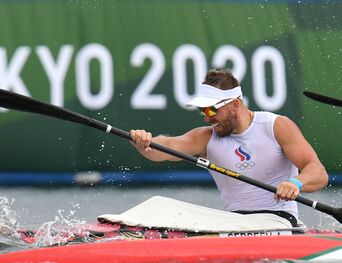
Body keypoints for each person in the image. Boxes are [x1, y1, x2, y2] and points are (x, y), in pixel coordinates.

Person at [130, 69, 329, 227]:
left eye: (211, 109)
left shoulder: (275, 126)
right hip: (234, 222)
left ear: (235, 104)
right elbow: (162, 149)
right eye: (202, 110)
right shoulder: (205, 137)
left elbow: (318, 173)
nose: (207, 117)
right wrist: (144, 142)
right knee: (161, 204)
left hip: (279, 219)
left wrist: (295, 183)